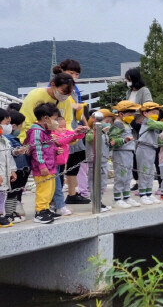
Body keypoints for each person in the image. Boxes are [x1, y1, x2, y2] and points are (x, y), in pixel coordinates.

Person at [55, 60, 91, 207]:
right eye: (71, 73)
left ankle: (72, 193)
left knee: (75, 160)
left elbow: (79, 108)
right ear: (62, 70)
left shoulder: (74, 88)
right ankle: (58, 197)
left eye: (77, 74)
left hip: (75, 127)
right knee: (61, 162)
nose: (74, 76)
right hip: (63, 128)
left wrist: (86, 124)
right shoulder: (56, 86)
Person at [26, 103, 61, 224]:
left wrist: (56, 150)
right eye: (55, 119)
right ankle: (40, 211)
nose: (56, 122)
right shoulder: (36, 131)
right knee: (43, 190)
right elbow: (37, 149)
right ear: (46, 118)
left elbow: (47, 148)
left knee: (50, 189)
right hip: (42, 167)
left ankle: (46, 208)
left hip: (50, 165)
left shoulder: (46, 132)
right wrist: (41, 164)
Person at [135, 102, 163, 204]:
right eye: (153, 112)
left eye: (157, 112)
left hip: (151, 148)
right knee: (144, 171)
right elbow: (159, 124)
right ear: (145, 113)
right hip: (144, 148)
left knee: (150, 173)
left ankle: (148, 193)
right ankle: (143, 194)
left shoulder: (154, 124)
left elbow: (155, 137)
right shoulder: (148, 121)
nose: (155, 114)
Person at [110, 101, 142, 208]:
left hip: (129, 152)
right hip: (121, 152)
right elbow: (113, 140)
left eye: (133, 115)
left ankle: (126, 197)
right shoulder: (118, 124)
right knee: (121, 176)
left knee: (128, 176)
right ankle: (117, 199)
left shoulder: (126, 123)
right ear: (121, 114)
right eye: (130, 115)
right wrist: (124, 140)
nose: (132, 117)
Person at [51, 117, 86, 216]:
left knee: (59, 185)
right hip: (54, 164)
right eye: (60, 127)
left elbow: (76, 137)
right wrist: (74, 133)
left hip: (60, 164)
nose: (63, 129)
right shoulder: (54, 135)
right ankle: (60, 206)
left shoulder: (65, 133)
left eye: (64, 126)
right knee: (57, 187)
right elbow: (62, 141)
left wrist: (80, 132)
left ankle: (57, 205)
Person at [85, 109, 115, 212]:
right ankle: (96, 202)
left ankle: (100, 201)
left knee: (102, 184)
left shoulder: (105, 133)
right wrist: (101, 131)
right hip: (94, 161)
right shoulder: (91, 131)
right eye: (106, 121)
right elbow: (90, 139)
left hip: (103, 160)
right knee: (95, 183)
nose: (108, 124)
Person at [4, 109, 29, 224]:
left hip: (19, 169)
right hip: (14, 170)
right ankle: (9, 214)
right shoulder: (7, 139)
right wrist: (18, 151)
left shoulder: (12, 138)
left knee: (15, 193)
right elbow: (11, 153)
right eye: (20, 126)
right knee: (11, 193)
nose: (21, 129)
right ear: (13, 126)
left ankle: (12, 212)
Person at [0, 109, 16, 228]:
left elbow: (9, 156)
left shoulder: (4, 140)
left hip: (4, 174)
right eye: (6, 123)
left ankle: (1, 215)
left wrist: (12, 170)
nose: (9, 126)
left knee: (2, 194)